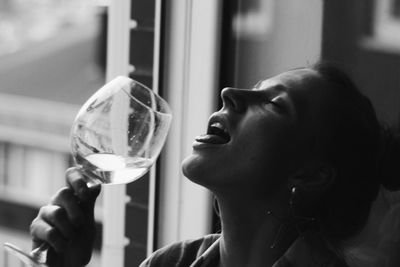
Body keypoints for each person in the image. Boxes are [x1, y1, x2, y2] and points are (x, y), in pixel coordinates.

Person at [30, 62, 400, 267]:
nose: (230, 93)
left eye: (274, 104)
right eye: (254, 87)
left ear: (311, 174)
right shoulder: (171, 263)